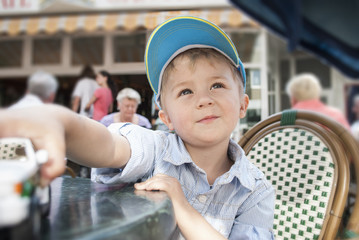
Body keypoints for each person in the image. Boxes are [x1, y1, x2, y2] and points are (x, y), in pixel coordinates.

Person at [1, 16, 275, 239]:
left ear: (242, 104)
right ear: (165, 117)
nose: (204, 99)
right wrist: (63, 123)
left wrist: (181, 206)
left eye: (217, 85)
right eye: (185, 92)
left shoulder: (256, 189)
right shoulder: (156, 149)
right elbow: (109, 147)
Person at [286, 73, 350, 130]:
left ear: (293, 99)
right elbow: (348, 142)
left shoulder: (286, 118)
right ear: (317, 95)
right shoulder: (335, 115)